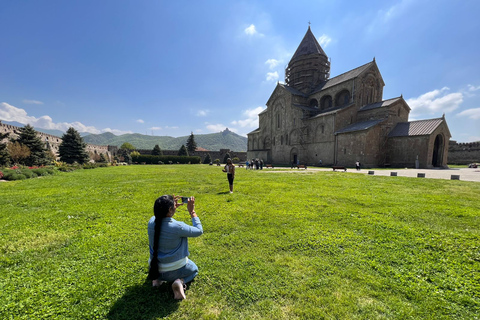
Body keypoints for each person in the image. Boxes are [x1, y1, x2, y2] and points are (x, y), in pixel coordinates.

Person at [148, 195, 203, 300]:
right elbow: (199, 231)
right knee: (194, 269)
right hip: (173, 270)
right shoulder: (178, 227)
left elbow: (161, 218)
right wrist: (192, 212)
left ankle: (157, 280)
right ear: (169, 209)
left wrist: (171, 209)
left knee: (161, 271)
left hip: (154, 268)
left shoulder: (151, 222)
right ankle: (179, 282)